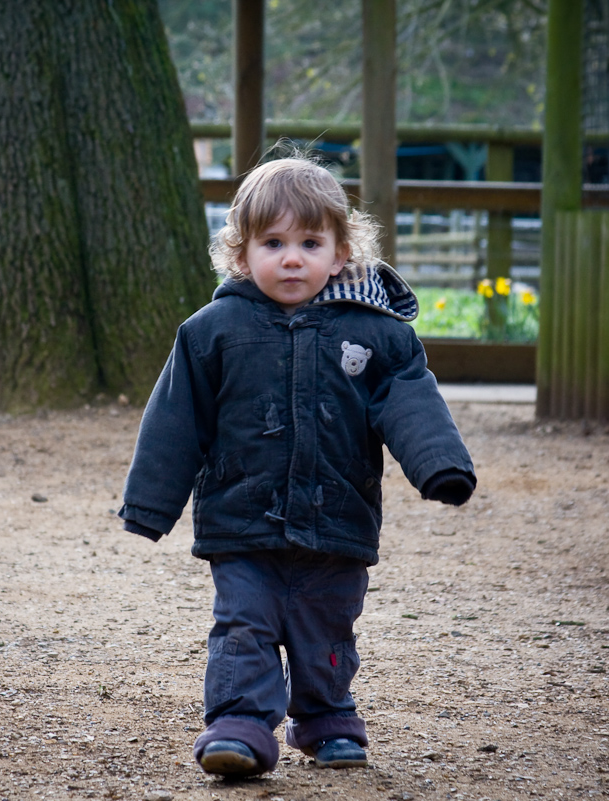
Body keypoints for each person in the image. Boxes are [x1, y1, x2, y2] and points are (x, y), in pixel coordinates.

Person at [118, 156, 476, 778]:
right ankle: (239, 724)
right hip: (242, 520)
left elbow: (412, 399)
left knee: (326, 627)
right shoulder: (212, 331)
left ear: (341, 253)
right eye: (273, 243)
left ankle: (328, 717)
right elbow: (177, 420)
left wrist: (439, 466)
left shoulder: (378, 334)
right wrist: (151, 505)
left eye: (310, 243)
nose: (291, 258)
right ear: (241, 253)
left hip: (338, 518)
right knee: (244, 625)